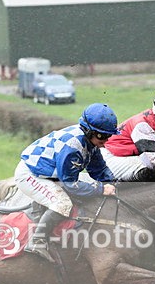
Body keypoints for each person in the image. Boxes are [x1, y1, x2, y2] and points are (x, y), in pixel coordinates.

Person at [14, 103, 119, 261]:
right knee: (62, 203)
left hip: (49, 173)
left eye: (108, 136)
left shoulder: (91, 143)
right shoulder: (72, 146)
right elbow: (70, 185)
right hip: (31, 174)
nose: (106, 141)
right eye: (102, 136)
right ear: (89, 131)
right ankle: (36, 241)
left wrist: (115, 184)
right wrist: (101, 189)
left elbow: (99, 170)